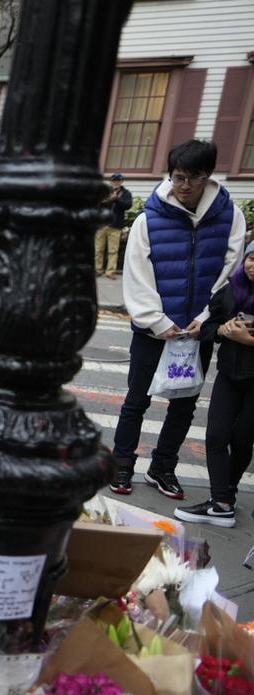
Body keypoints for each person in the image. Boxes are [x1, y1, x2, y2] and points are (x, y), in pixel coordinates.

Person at [111, 139, 246, 498]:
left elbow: (230, 272)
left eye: (191, 178)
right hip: (154, 331)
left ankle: (162, 467)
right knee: (136, 400)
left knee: (183, 405)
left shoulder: (230, 216)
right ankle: (122, 464)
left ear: (208, 176)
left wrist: (206, 317)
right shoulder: (148, 219)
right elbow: (136, 273)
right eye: (177, 177)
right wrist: (157, 320)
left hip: (197, 330)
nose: (182, 185)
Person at [177, 243, 254, 527]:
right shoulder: (230, 291)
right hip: (228, 376)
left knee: (243, 440)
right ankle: (221, 502)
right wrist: (221, 330)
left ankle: (227, 494)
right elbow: (206, 326)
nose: (252, 266)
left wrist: (249, 341)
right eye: (251, 258)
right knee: (216, 436)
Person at [95, 173, 133, 279]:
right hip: (102, 225)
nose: (116, 182)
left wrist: (116, 199)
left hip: (115, 225)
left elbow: (128, 205)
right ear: (110, 182)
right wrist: (108, 200)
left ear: (121, 181)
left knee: (113, 250)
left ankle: (110, 272)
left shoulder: (126, 193)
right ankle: (98, 270)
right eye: (114, 180)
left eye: (118, 180)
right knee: (98, 250)